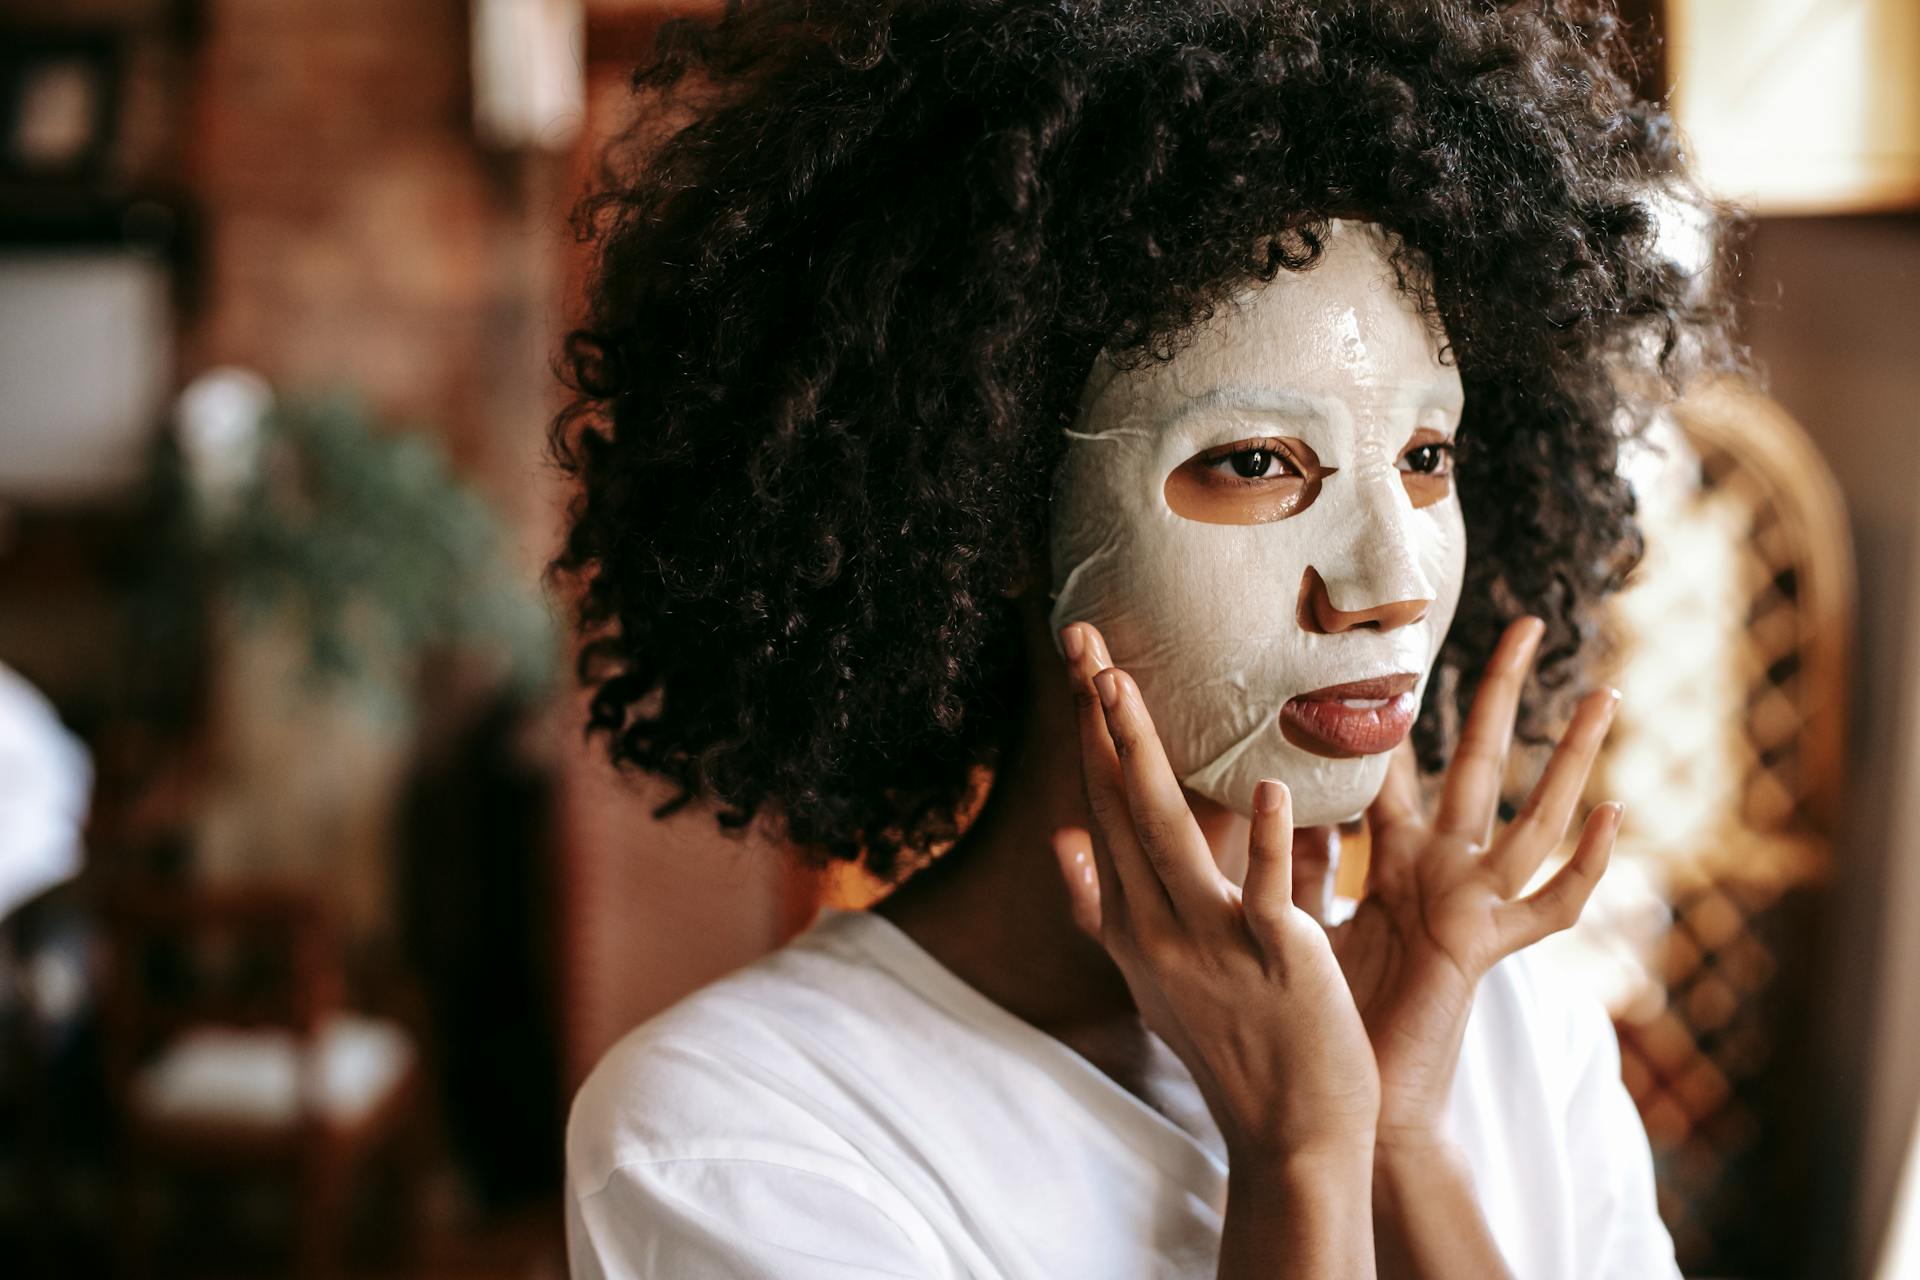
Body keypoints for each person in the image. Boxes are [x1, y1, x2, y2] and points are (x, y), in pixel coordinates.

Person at [549, 2, 1741, 1275]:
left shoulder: (1505, 1019)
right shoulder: (734, 1138)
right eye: (1256, 461)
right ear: (994, 505)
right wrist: (1297, 1157)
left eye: (1426, 455)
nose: (1390, 582)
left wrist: (1398, 1139)